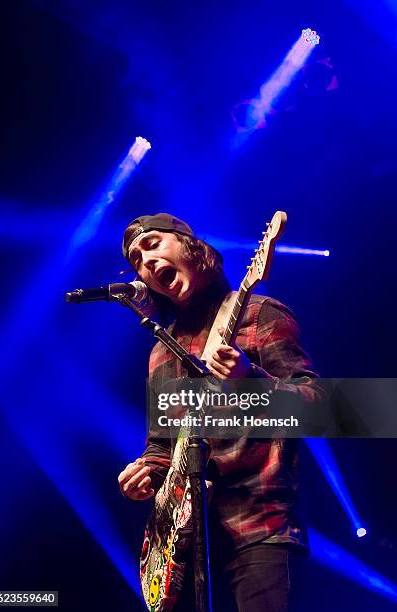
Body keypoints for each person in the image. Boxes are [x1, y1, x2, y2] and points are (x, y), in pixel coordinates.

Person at [118, 213, 318, 612]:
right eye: (137, 259)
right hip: (190, 547)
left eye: (153, 244)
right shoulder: (161, 351)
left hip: (260, 531)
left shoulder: (259, 315)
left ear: (191, 249)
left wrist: (250, 378)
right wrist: (147, 470)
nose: (145, 261)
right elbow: (163, 446)